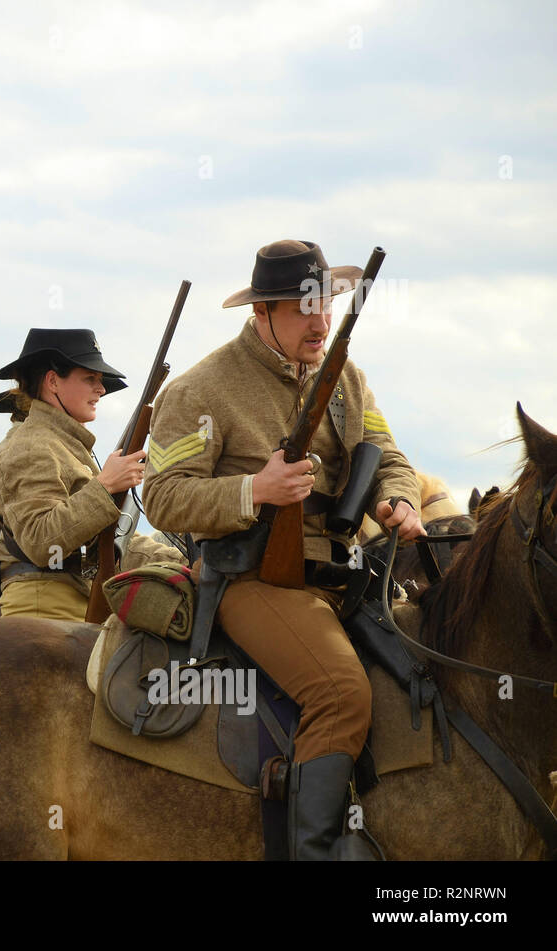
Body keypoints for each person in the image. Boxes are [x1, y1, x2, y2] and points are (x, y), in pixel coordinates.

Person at [142, 239, 424, 860]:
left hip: (342, 576)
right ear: (262, 312)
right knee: (341, 694)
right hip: (253, 582)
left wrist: (398, 501)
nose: (320, 320)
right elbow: (161, 496)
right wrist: (254, 490)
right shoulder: (200, 389)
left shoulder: (346, 378)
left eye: (326, 304)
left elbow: (391, 458)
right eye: (303, 308)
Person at [0, 329, 174, 620]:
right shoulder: (32, 447)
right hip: (46, 607)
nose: (102, 389)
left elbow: (112, 539)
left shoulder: (63, 445)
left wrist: (180, 561)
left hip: (68, 597)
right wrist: (106, 485)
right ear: (53, 381)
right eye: (90, 379)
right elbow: (42, 542)